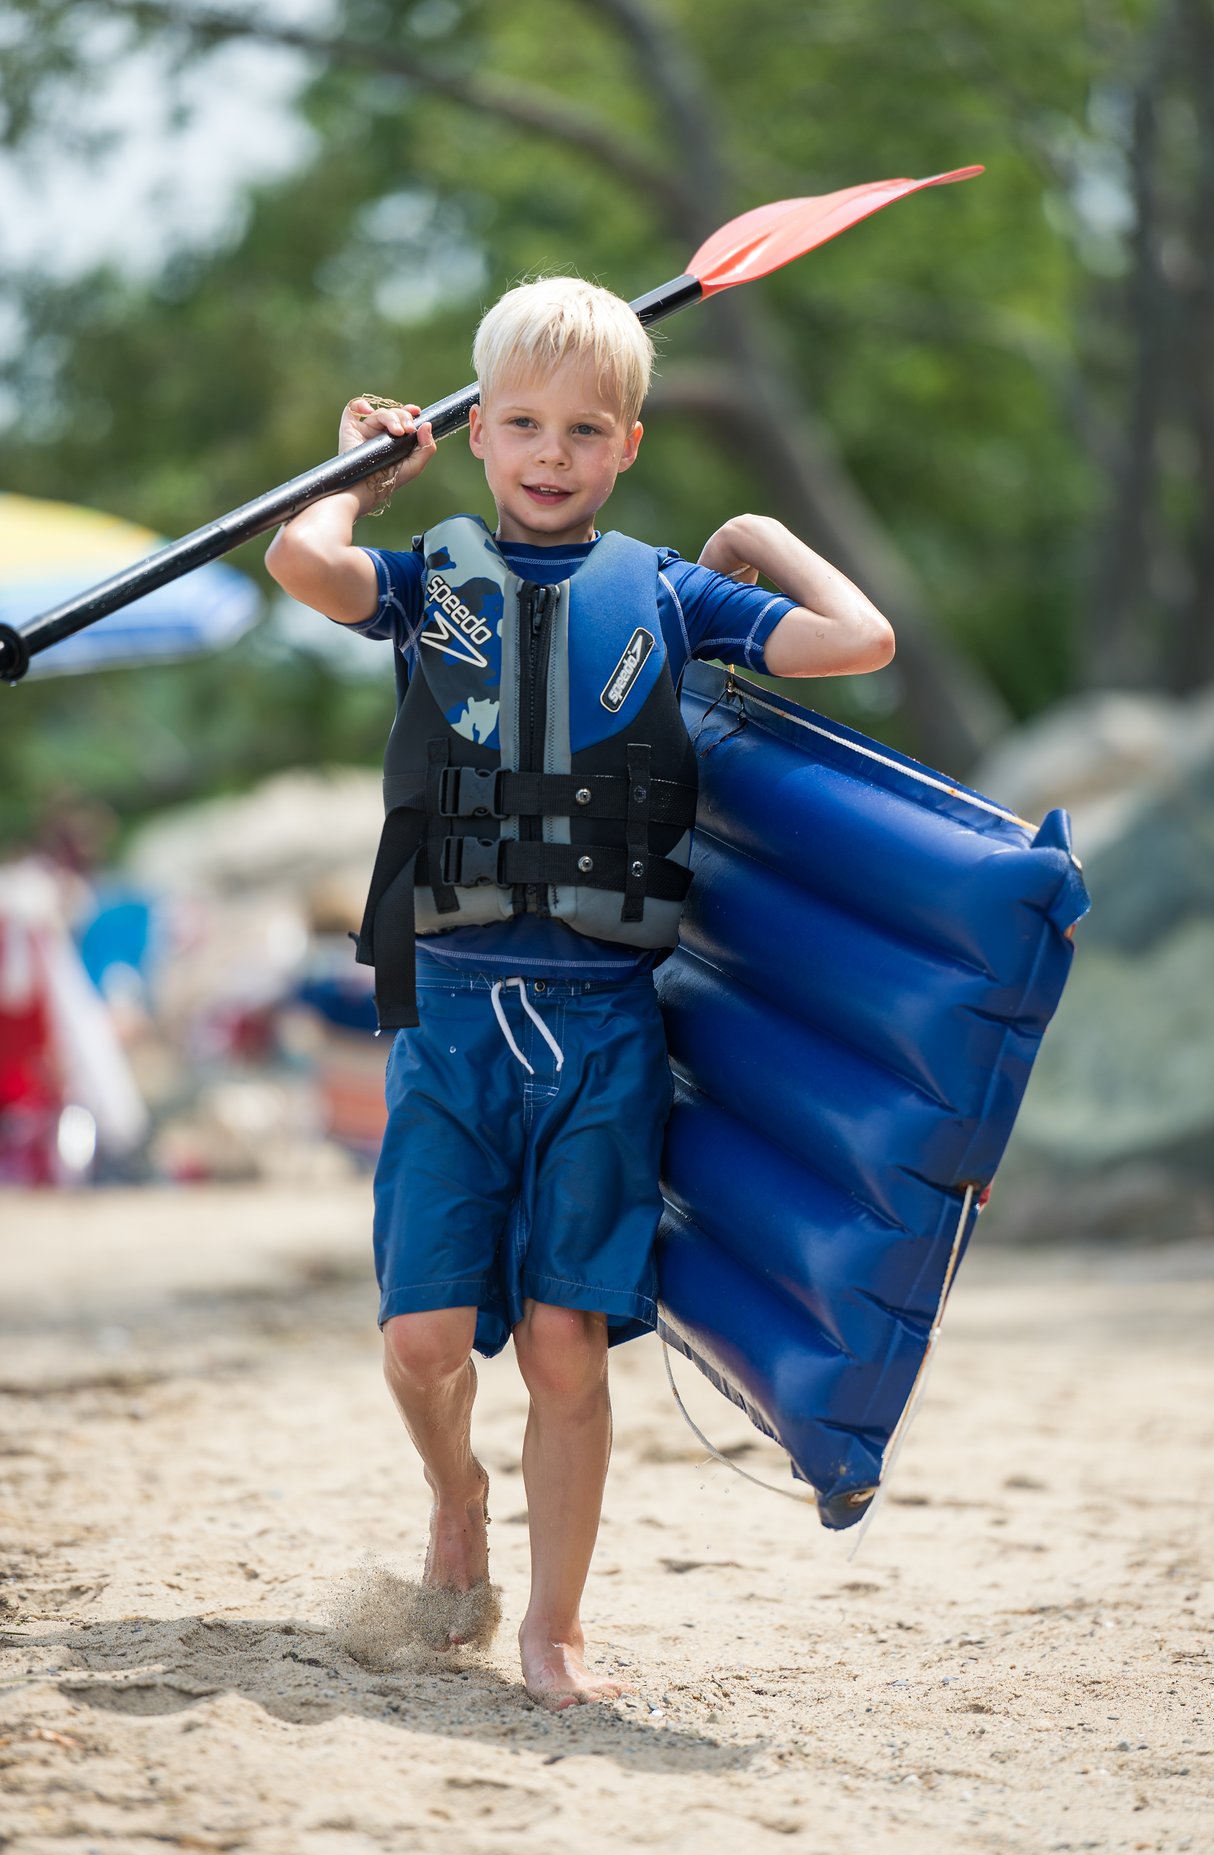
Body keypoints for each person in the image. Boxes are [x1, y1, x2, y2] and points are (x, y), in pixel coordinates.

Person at [265, 277, 894, 1709]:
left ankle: (554, 1627)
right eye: (526, 425)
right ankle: (455, 1501)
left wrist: (767, 545)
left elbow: (860, 642)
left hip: (603, 1030)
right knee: (423, 1343)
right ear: (477, 434)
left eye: (587, 430)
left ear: (629, 447)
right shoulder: (430, 578)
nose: (553, 454)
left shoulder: (674, 595)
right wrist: (361, 481)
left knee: (563, 1343)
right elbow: (302, 566)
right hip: (455, 1016)